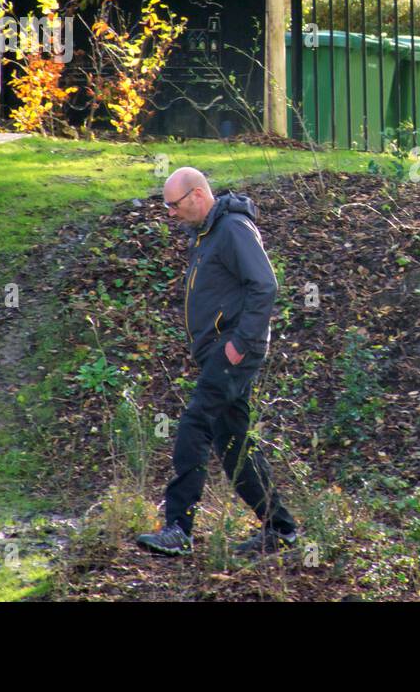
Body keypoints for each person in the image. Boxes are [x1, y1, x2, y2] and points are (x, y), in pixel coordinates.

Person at [137, 167, 300, 557]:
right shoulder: (206, 234)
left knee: (195, 424)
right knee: (233, 443)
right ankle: (280, 528)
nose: (171, 214)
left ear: (197, 195)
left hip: (233, 351)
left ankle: (179, 528)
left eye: (174, 205)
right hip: (220, 350)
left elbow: (265, 284)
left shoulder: (232, 230)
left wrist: (239, 344)